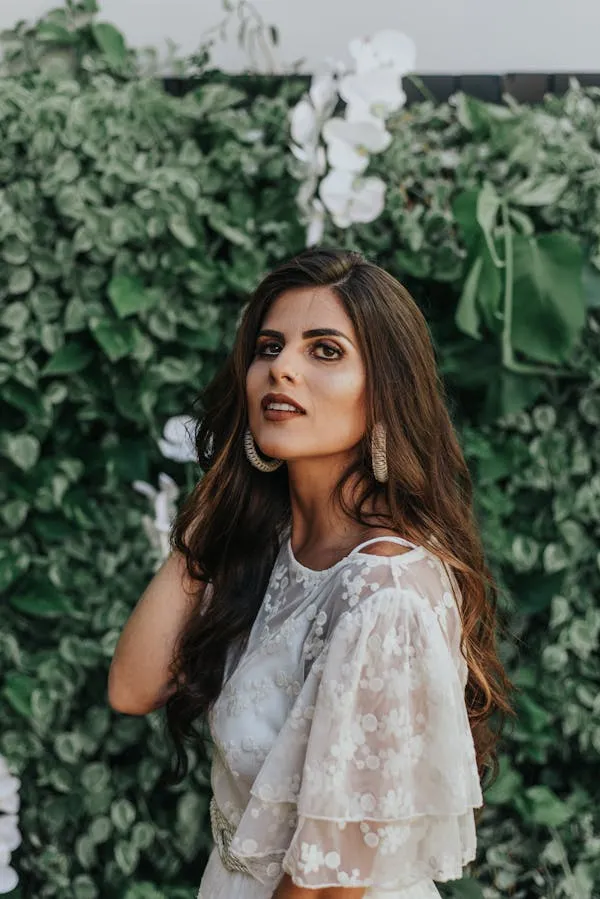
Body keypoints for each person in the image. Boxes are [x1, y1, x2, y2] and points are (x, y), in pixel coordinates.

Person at [108, 247, 515, 899]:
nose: (282, 369)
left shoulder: (385, 594)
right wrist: (221, 496)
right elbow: (133, 686)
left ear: (383, 391)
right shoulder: (266, 544)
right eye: (269, 347)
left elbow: (329, 887)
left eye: (324, 350)